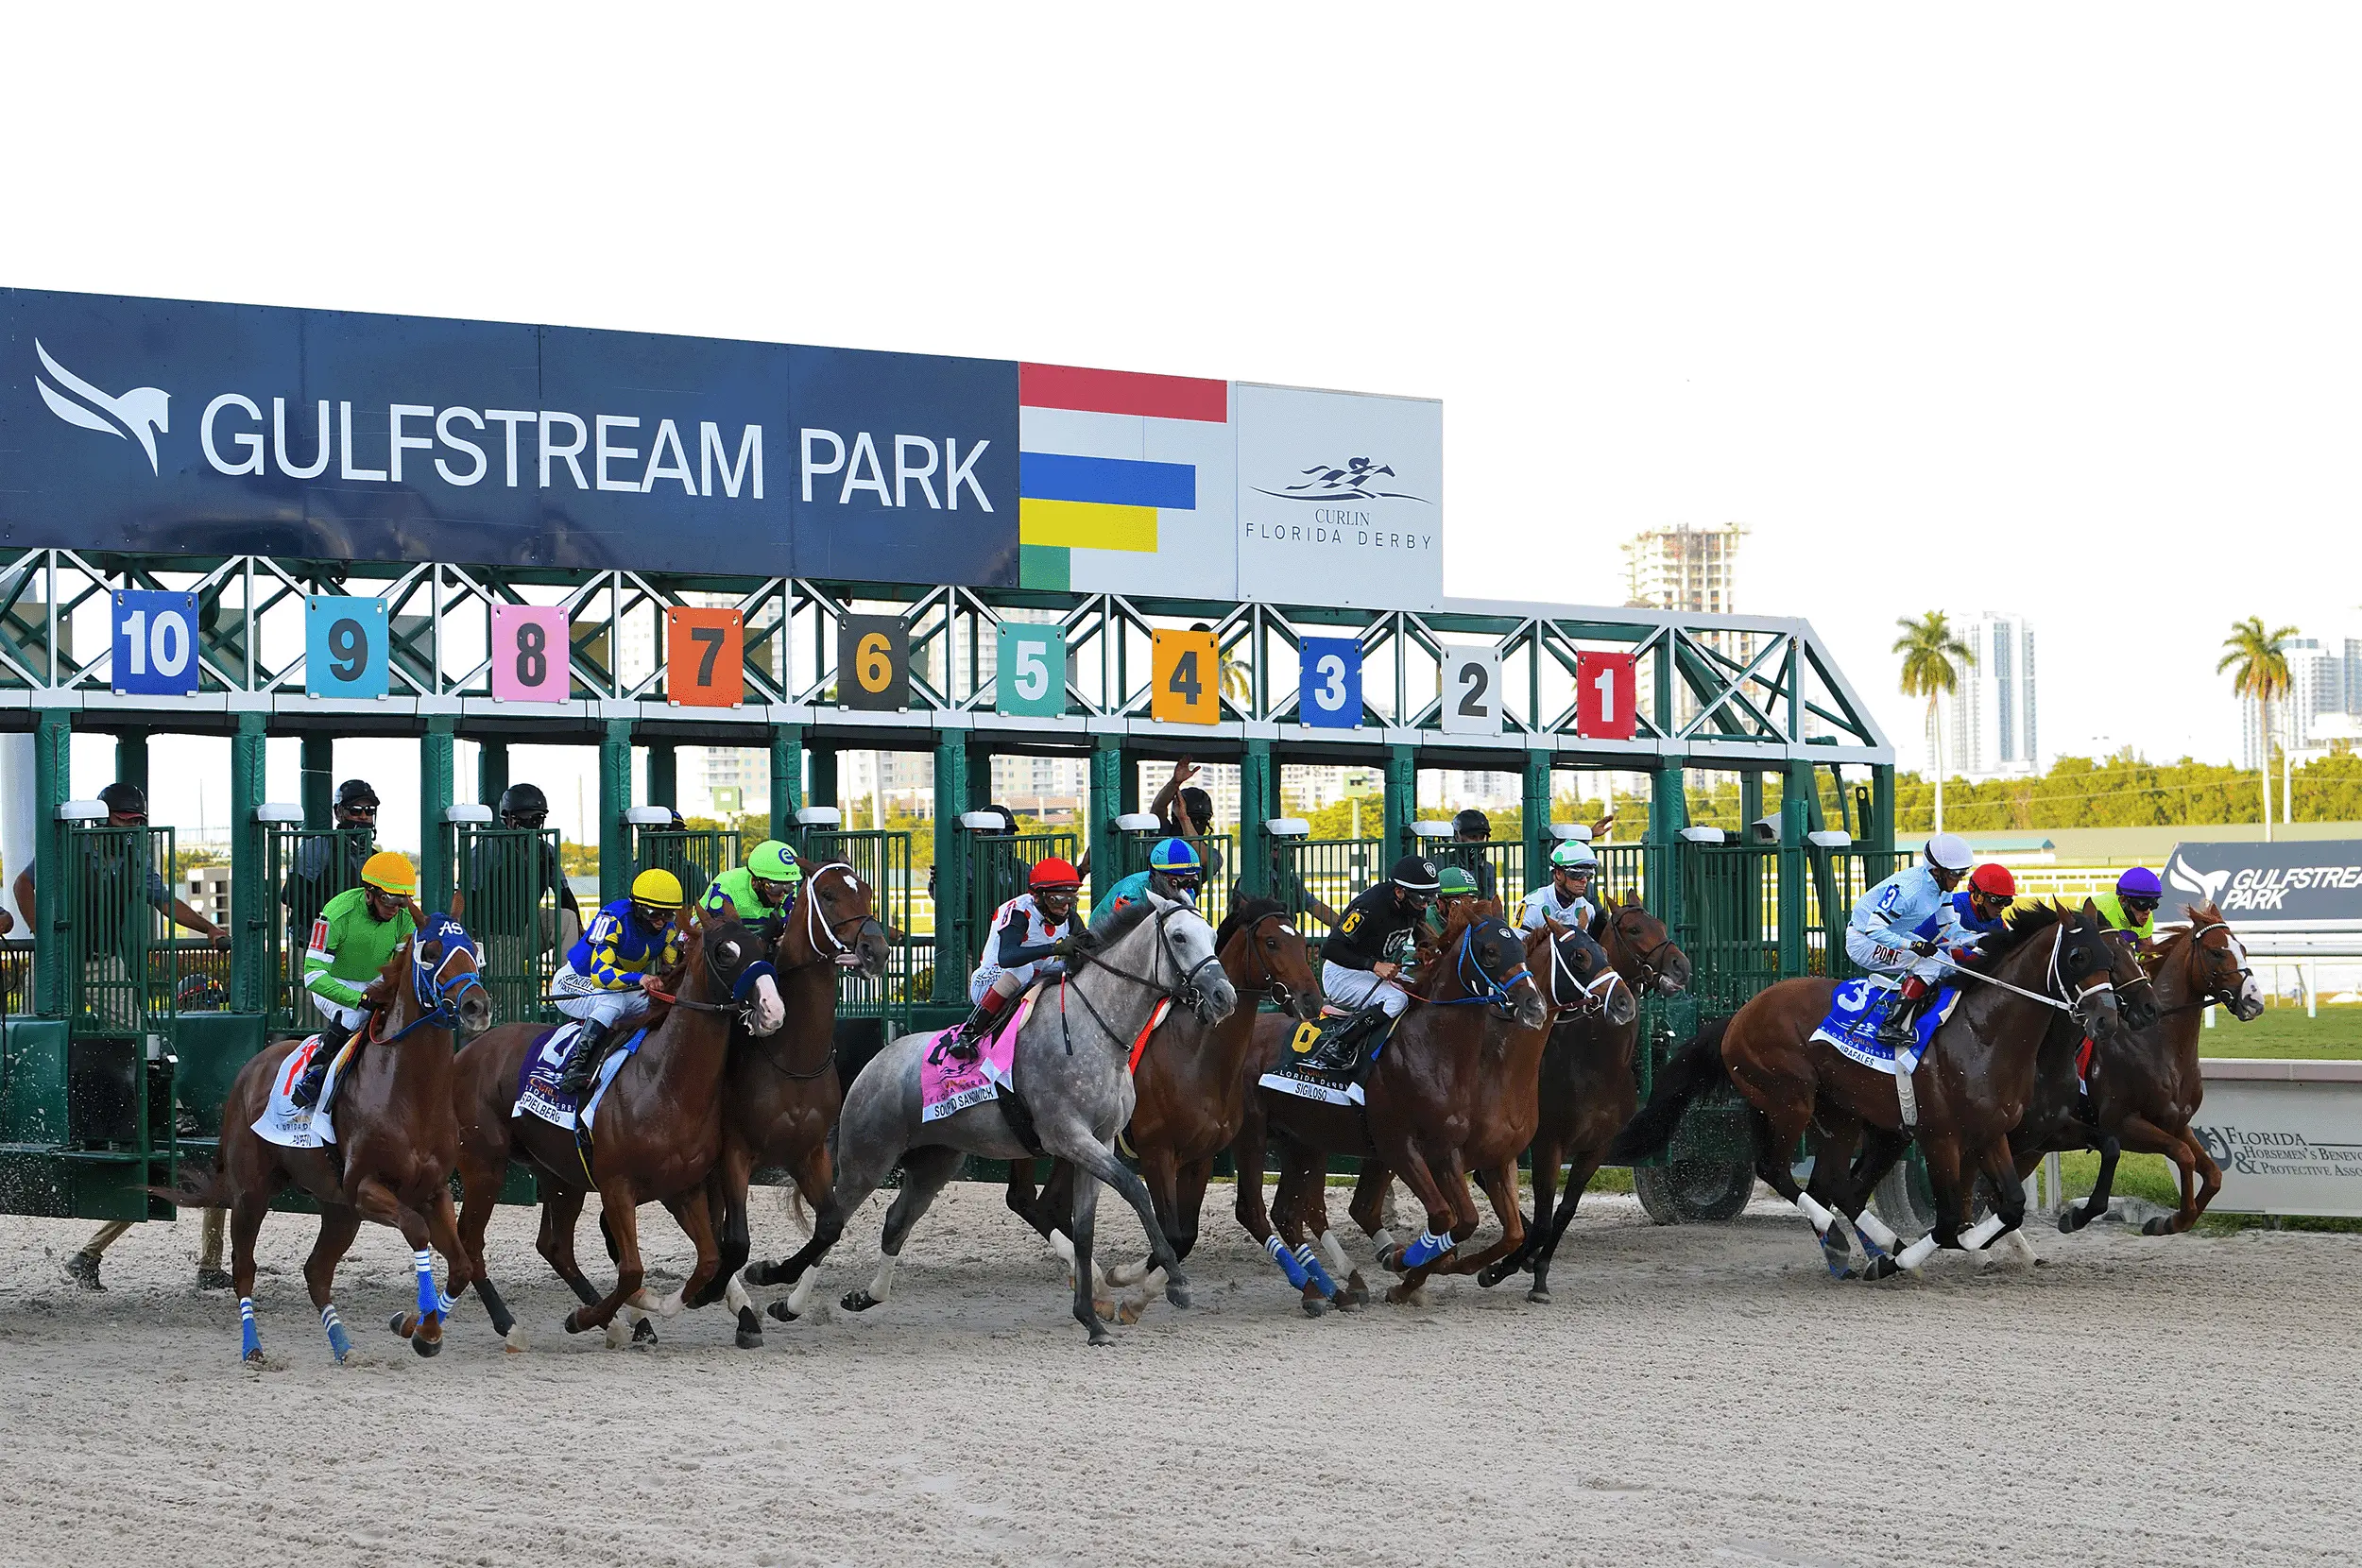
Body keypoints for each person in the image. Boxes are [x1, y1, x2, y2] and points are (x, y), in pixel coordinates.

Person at [46, 780, 231, 1292]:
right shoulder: (74, 845)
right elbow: (24, 884)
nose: (133, 827)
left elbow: (165, 901)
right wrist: (49, 937)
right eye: (125, 820)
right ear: (105, 816)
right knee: (130, 1038)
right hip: (68, 958)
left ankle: (208, 1264)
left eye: (138, 821)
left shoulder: (133, 855)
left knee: (141, 1036)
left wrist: (209, 929)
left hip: (103, 959)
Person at [286, 851, 421, 1110]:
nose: (394, 910)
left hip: (375, 983)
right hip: (335, 983)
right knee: (354, 1016)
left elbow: (400, 968)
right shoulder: (336, 913)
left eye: (401, 903)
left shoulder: (404, 919)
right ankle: (314, 1074)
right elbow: (313, 975)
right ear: (369, 893)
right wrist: (357, 998)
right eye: (388, 901)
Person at [1300, 854, 1440, 1082]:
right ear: (1399, 892)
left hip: (1372, 973)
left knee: (1422, 990)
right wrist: (1374, 965)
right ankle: (1339, 1045)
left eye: (1430, 899)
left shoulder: (1413, 907)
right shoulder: (1369, 907)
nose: (1425, 905)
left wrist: (1430, 956)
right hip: (1341, 974)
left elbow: (1422, 938)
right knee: (1397, 1000)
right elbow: (1331, 949)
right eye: (1420, 899)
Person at [549, 868, 686, 1098]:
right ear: (638, 908)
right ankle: (574, 1067)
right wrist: (640, 978)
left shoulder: (668, 930)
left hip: (620, 990)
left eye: (668, 915)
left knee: (662, 1003)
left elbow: (671, 970)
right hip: (573, 982)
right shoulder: (613, 917)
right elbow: (600, 975)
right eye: (654, 914)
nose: (661, 922)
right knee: (612, 1002)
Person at [453, 782, 582, 1013]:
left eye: (538, 817)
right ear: (508, 818)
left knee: (568, 919)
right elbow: (464, 893)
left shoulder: (545, 851)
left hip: (526, 927)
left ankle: (568, 989)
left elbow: (564, 894)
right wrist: (462, 936)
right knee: (512, 1002)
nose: (532, 822)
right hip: (493, 934)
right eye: (526, 816)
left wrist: (583, 931)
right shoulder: (489, 847)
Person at [943, 857, 1083, 1061]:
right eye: (1058, 900)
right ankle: (969, 1032)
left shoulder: (1069, 917)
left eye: (1071, 900)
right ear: (1037, 897)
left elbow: (1089, 946)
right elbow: (1007, 957)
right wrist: (1054, 948)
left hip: (1033, 982)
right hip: (991, 981)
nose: (1065, 908)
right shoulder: (1019, 912)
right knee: (1024, 969)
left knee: (1065, 968)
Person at [1845, 831, 1977, 1047]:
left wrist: (1978, 940)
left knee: (1948, 964)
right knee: (1929, 966)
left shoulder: (1942, 888)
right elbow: (1874, 929)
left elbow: (1949, 927)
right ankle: (1891, 1026)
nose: (1960, 878)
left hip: (1892, 933)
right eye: (1956, 873)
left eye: (1964, 872)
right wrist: (1913, 945)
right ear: (1937, 870)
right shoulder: (1909, 890)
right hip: (1863, 940)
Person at [280, 778, 379, 964]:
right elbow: (291, 893)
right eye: (355, 810)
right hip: (310, 945)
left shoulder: (375, 857)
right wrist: (335, 917)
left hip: (353, 951)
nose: (364, 816)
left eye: (369, 810)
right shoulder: (318, 846)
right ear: (338, 812)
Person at [1088, 836, 1200, 939]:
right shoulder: (1131, 893)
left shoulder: (1188, 891)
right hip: (1104, 939)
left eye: (1190, 881)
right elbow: (1125, 936)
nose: (1185, 889)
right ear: (1159, 875)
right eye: (1178, 882)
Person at [700, 839, 804, 933]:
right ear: (755, 881)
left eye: (789, 886)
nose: (782, 895)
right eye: (775, 887)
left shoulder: (789, 894)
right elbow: (715, 936)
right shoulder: (725, 888)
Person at [1150, 759, 1225, 891]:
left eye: (1202, 820)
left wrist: (1184, 818)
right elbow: (1158, 808)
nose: (1198, 824)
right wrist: (1175, 783)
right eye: (1193, 818)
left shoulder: (1213, 855)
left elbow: (1202, 860)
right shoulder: (1165, 834)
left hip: (1184, 902)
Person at [1520, 839, 1601, 935]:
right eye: (1577, 875)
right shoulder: (1531, 906)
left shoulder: (1588, 910)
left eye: (1588, 875)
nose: (1584, 880)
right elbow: (1518, 942)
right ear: (1558, 874)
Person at [2092, 866, 2162, 950]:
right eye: (2142, 904)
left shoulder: (2146, 916)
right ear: (2123, 900)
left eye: (2153, 904)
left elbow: (2146, 952)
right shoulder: (2097, 909)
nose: (2147, 911)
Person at [1952, 861, 2017, 940]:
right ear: (1978, 896)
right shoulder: (1953, 908)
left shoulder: (1996, 920)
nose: (2002, 907)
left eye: (2007, 901)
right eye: (1996, 901)